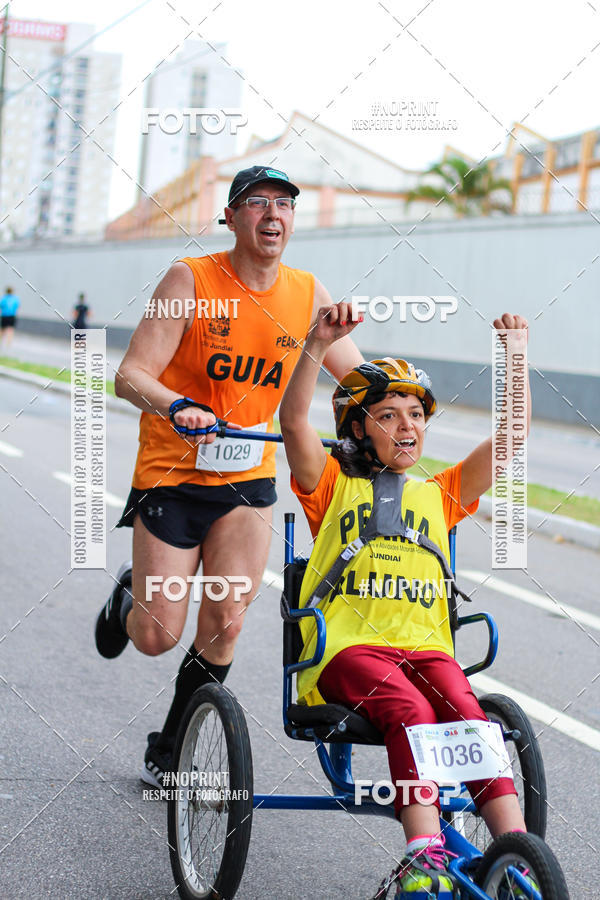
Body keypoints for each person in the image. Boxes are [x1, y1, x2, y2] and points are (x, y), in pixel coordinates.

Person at [94, 166, 363, 787]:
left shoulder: (307, 292)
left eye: (285, 206)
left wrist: (392, 414)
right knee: (158, 635)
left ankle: (171, 750)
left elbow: (357, 379)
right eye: (258, 203)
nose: (274, 215)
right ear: (231, 217)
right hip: (173, 473)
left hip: (246, 481)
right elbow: (131, 375)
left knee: (227, 623)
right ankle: (132, 593)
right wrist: (177, 406)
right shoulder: (188, 279)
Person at [279, 303, 534, 896]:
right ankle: (423, 858)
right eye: (388, 416)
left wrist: (516, 356)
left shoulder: (439, 494)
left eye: (416, 415)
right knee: (411, 711)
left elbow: (512, 437)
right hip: (348, 650)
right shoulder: (332, 486)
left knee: (471, 717)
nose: (406, 426)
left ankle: (515, 854)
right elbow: (294, 424)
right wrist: (317, 344)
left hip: (424, 647)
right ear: (356, 428)